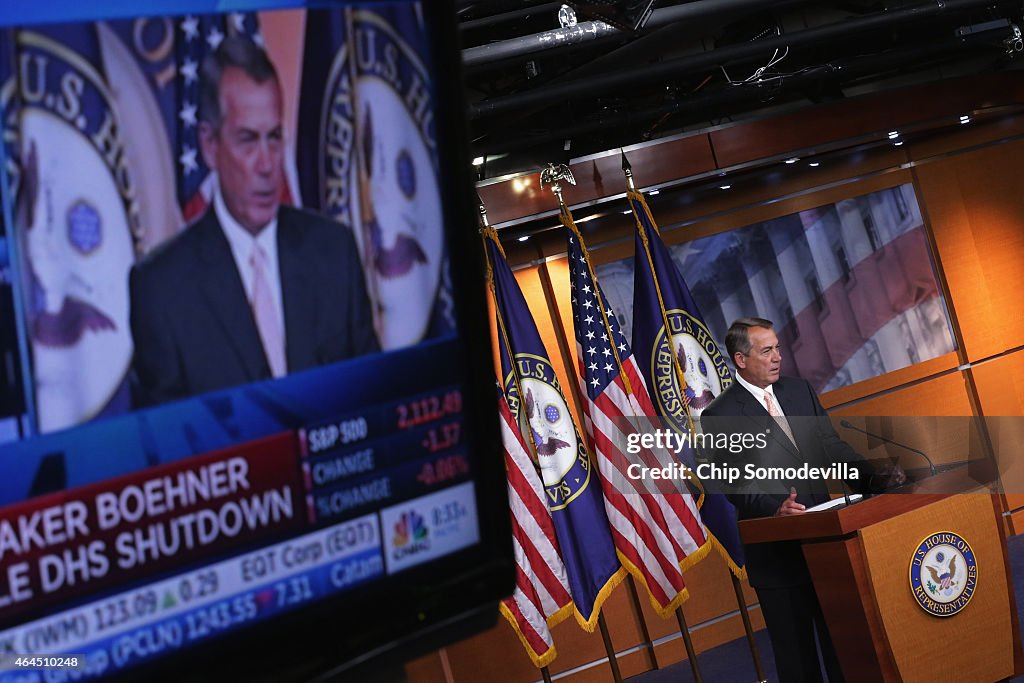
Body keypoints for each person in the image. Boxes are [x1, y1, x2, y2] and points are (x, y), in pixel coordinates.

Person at [129, 36, 379, 407]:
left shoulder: (334, 251)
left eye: (274, 138)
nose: (266, 164)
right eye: (247, 140)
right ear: (209, 145)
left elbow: (376, 395)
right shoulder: (161, 288)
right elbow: (170, 445)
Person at [701, 317, 902, 683]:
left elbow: (830, 448)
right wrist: (774, 509)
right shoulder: (721, 414)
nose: (778, 357)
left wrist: (874, 475)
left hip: (828, 545)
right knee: (798, 661)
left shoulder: (799, 391)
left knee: (845, 646)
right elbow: (734, 481)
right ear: (741, 360)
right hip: (778, 556)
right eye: (767, 351)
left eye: (778, 348)